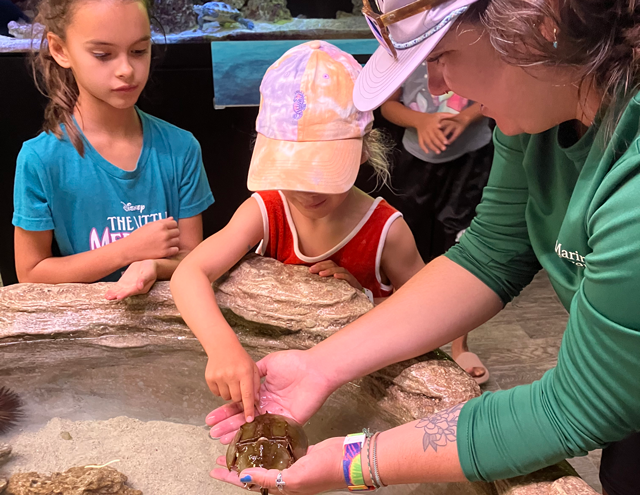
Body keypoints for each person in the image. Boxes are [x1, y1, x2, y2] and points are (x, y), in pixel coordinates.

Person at [206, 1, 640, 495]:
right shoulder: (537, 113)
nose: (435, 87)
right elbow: (488, 256)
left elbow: (576, 406)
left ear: (539, 29)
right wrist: (317, 366)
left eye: (442, 55)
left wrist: (354, 460)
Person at [170, 40, 424, 422]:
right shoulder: (266, 211)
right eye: (293, 172)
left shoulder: (387, 232)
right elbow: (190, 273)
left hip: (358, 388)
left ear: (363, 149)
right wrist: (223, 348)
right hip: (279, 381)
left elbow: (428, 305)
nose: (306, 190)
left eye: (321, 171)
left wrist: (358, 300)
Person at [12, 0, 214, 300]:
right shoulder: (40, 159)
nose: (126, 70)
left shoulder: (181, 148)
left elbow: (192, 257)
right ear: (60, 50)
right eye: (102, 54)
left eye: (139, 51)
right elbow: (31, 271)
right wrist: (127, 251)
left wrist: (153, 266)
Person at [381, 62, 493, 383]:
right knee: (407, 242)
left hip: (472, 157)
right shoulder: (398, 48)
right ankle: (407, 338)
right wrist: (421, 121)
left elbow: (497, 88)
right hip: (416, 159)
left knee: (462, 242)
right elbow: (387, 104)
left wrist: (465, 117)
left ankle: (460, 344)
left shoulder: (474, 32)